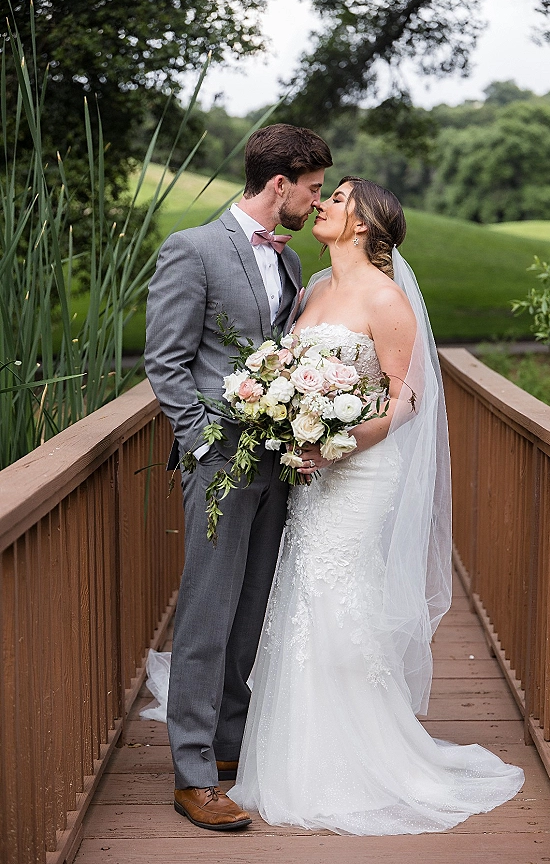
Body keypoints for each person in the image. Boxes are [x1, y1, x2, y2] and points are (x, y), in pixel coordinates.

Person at [228, 176, 525, 834]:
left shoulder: (387, 298)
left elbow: (407, 399)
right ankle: (293, 758)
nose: (324, 205)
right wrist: (285, 421)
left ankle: (362, 760)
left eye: (335, 198)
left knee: (340, 600)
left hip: (362, 474)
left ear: (361, 223)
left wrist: (341, 442)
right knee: (300, 597)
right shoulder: (313, 291)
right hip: (311, 474)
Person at [144, 124, 333, 831]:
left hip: (275, 464)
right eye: (312, 189)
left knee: (250, 608)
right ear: (280, 181)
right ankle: (192, 772)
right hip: (219, 463)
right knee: (206, 611)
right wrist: (200, 448)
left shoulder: (284, 265)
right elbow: (165, 361)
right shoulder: (192, 249)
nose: (315, 205)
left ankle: (228, 746)